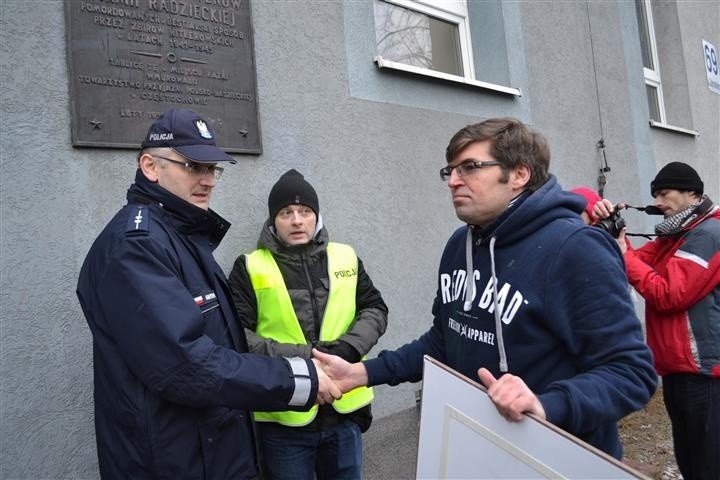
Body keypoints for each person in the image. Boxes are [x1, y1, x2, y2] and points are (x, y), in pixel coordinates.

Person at [314, 117, 657, 459]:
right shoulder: (459, 245)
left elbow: (631, 372)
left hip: (556, 458)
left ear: (519, 175)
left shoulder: (574, 248)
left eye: (470, 167)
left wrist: (545, 404)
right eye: (450, 171)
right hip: (480, 448)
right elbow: (444, 341)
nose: (453, 181)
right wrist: (362, 373)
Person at [76, 109, 341, 480]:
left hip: (212, 453)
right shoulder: (134, 247)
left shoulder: (178, 236)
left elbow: (221, 347)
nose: (207, 180)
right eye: (192, 166)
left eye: (212, 169)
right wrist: (297, 378)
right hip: (175, 462)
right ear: (150, 166)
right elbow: (185, 364)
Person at [228, 169, 389, 480]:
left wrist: (347, 349)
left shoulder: (346, 258)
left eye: (305, 211)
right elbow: (236, 335)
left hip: (344, 413)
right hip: (284, 418)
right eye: (286, 212)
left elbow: (375, 309)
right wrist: (307, 359)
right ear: (273, 221)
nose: (297, 220)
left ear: (317, 217)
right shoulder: (250, 267)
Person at [593, 161, 719, 480]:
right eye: (656, 196)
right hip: (679, 370)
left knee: (707, 465)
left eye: (664, 194)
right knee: (691, 462)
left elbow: (669, 294)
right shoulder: (675, 236)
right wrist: (615, 234)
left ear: (691, 193)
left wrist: (623, 255)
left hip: (704, 375)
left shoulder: (708, 234)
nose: (658, 203)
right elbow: (635, 262)